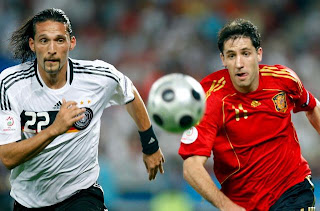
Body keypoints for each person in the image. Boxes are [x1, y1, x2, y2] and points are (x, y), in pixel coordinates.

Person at [0, 8, 165, 210]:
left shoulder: (99, 76)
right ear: (32, 45)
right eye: (44, 40)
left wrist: (150, 145)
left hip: (80, 195)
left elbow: (129, 93)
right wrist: (54, 129)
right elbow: (8, 157)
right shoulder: (11, 84)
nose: (52, 49)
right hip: (28, 201)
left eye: (60, 40)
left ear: (72, 43)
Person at [179, 18, 319, 211]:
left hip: (293, 189)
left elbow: (312, 107)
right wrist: (226, 206)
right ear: (223, 59)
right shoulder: (209, 100)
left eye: (245, 53)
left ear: (258, 54)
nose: (239, 63)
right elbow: (191, 167)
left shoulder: (284, 79)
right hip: (242, 204)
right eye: (231, 55)